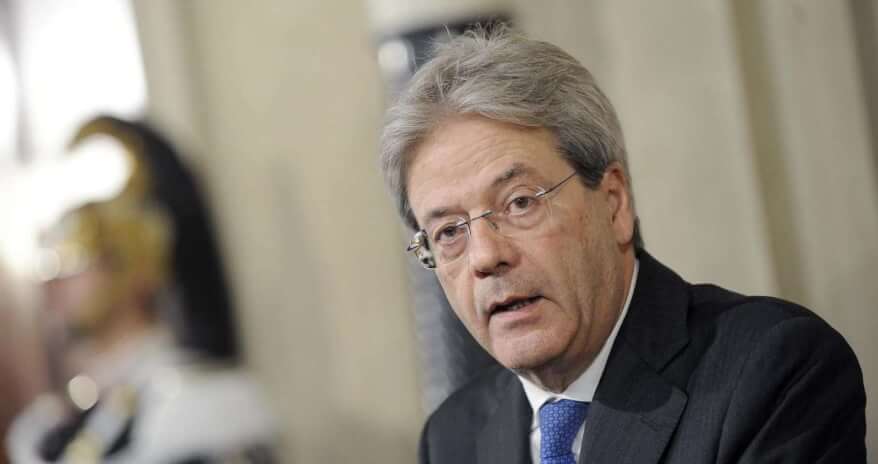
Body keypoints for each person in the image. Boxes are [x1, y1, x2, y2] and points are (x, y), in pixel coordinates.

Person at [379, 25, 867, 463]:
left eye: (520, 203)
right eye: (449, 232)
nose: (486, 256)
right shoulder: (452, 438)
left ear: (614, 203)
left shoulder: (770, 371)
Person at [8, 116, 277, 463]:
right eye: (49, 258)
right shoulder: (44, 431)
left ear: (134, 262)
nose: (54, 281)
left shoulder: (200, 406)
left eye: (77, 257)